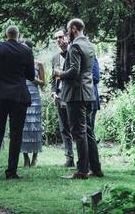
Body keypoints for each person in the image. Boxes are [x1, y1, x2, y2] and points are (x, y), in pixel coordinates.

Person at [0, 25, 35, 180]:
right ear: (18, 35)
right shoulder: (26, 51)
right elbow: (30, 75)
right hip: (18, 96)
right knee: (16, 134)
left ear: (6, 35)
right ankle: (11, 171)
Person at [52, 18, 103, 179]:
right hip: (88, 93)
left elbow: (74, 71)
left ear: (74, 29)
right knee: (88, 132)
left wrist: (59, 73)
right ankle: (96, 168)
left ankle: (82, 171)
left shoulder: (75, 46)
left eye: (67, 30)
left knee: (79, 132)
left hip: (76, 94)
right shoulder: (89, 44)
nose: (67, 34)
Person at [20, 40, 46, 167]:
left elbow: (43, 83)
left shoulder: (38, 64)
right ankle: (25, 157)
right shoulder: (18, 63)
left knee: (35, 127)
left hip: (35, 97)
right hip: (21, 96)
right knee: (23, 127)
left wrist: (33, 79)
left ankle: (35, 156)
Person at [51, 29, 74, 167]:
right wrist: (53, 92)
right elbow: (52, 78)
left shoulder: (73, 53)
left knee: (76, 128)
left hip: (72, 95)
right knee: (64, 128)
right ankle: (69, 158)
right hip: (59, 96)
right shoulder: (55, 57)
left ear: (67, 37)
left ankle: (83, 159)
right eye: (56, 38)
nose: (58, 40)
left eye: (60, 37)